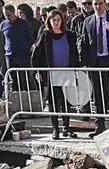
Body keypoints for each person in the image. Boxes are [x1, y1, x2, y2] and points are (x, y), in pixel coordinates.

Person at [31, 9, 81, 139]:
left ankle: (66, 127)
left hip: (67, 72)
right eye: (54, 20)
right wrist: (38, 70)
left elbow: (74, 54)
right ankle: (55, 129)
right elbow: (36, 54)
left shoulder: (69, 35)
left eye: (58, 20)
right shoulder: (45, 35)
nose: (56, 22)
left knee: (65, 102)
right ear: (49, 21)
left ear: (62, 21)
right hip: (51, 74)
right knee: (53, 102)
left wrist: (76, 70)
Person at [78, 0, 109, 134]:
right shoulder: (88, 21)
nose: (97, 7)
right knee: (97, 95)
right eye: (95, 4)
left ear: (105, 4)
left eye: (100, 3)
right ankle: (100, 126)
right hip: (94, 62)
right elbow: (85, 43)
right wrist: (84, 63)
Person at [0, 4, 33, 92]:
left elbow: (30, 39)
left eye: (9, 15)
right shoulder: (3, 24)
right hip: (9, 56)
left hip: (23, 55)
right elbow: (2, 40)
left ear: (14, 12)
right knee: (13, 80)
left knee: (25, 79)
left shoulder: (23, 24)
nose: (7, 17)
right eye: (5, 15)